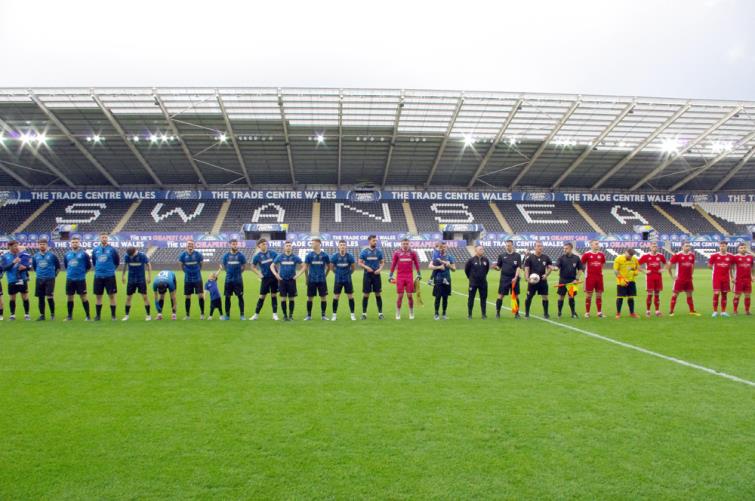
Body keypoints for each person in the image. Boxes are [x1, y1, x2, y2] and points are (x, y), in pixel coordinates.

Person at [271, 240, 305, 321]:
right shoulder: (280, 256)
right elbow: (272, 266)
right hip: (282, 280)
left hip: (291, 280)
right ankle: (285, 315)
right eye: (287, 246)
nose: (288, 247)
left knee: (291, 298)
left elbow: (304, 266)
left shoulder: (295, 257)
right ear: (284, 247)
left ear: (291, 247)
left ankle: (291, 315)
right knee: (283, 298)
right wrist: (276, 274)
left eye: (289, 245)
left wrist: (297, 275)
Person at [389, 238, 421, 320]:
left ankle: (411, 313)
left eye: (407, 243)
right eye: (404, 243)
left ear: (409, 244)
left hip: (409, 276)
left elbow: (417, 263)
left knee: (410, 295)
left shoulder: (413, 253)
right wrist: (390, 275)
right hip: (400, 277)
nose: (405, 245)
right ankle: (398, 313)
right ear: (401, 244)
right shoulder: (397, 253)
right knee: (400, 296)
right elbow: (393, 264)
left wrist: (419, 273)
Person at [667, 241, 701, 316]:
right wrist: (672, 276)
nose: (688, 247)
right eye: (686, 246)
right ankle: (671, 311)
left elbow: (692, 265)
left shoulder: (692, 255)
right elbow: (669, 265)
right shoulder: (677, 255)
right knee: (675, 294)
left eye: (689, 246)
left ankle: (692, 311)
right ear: (682, 246)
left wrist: (691, 274)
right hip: (679, 279)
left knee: (689, 294)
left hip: (688, 279)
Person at [2, 240, 32, 320]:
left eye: (17, 246)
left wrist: (25, 267)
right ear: (10, 247)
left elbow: (30, 266)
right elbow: (4, 268)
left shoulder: (22, 255)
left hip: (22, 279)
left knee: (25, 297)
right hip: (12, 280)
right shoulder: (5, 256)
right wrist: (13, 262)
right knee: (12, 298)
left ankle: (27, 314)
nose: (17, 247)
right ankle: (12, 315)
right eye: (15, 246)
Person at [92, 233, 120, 321]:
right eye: (102, 237)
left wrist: (110, 270)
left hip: (110, 276)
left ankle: (113, 316)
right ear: (100, 238)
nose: (104, 239)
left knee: (111, 296)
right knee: (98, 296)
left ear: (107, 239)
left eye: (105, 237)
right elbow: (94, 262)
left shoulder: (112, 250)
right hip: (98, 276)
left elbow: (117, 262)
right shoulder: (95, 250)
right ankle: (98, 316)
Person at [31, 238, 61, 321]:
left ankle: (52, 314)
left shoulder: (52, 255)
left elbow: (58, 267)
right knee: (40, 298)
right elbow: (34, 267)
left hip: (50, 279)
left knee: (49, 296)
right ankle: (42, 315)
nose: (42, 246)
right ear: (38, 245)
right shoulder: (35, 256)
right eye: (40, 244)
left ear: (47, 245)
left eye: (43, 244)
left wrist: (54, 276)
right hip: (39, 279)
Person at [63, 236, 92, 321]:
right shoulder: (67, 254)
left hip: (80, 279)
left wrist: (82, 274)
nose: (74, 244)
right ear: (70, 244)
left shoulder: (84, 254)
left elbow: (88, 266)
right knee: (70, 297)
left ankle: (88, 316)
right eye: (73, 242)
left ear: (79, 243)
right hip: (70, 279)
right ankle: (69, 316)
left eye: (76, 242)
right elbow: (66, 266)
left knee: (83, 297)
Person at [523, 241, 553, 318]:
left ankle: (546, 314)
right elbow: (526, 269)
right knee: (529, 297)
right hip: (532, 281)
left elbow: (550, 267)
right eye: (538, 246)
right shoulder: (530, 258)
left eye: (541, 246)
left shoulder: (546, 257)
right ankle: (527, 314)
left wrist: (546, 274)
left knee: (545, 297)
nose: (540, 247)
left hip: (542, 281)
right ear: (535, 247)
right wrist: (527, 278)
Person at [250, 238, 279, 321]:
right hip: (265, 279)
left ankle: (275, 315)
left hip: (274, 278)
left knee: (274, 295)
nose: (265, 245)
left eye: (266, 244)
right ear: (259, 246)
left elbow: (279, 261)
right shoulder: (257, 256)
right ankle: (256, 315)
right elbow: (252, 267)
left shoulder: (272, 253)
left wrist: (278, 273)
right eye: (263, 244)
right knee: (262, 296)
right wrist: (259, 274)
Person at [121, 246, 152, 321]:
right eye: (130, 255)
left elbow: (148, 265)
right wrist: (123, 275)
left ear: (136, 250)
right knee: (128, 297)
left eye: (132, 254)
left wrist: (149, 276)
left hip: (141, 279)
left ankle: (148, 315)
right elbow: (125, 265)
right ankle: (126, 315)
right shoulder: (127, 256)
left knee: (144, 296)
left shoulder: (142, 255)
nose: (131, 256)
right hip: (131, 279)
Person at [493, 240, 522, 319]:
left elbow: (518, 267)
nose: (507, 247)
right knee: (501, 295)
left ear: (512, 246)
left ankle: (516, 313)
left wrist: (516, 277)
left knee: (515, 296)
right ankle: (498, 313)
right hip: (504, 279)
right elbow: (499, 267)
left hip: (514, 278)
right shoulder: (501, 256)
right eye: (506, 245)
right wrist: (495, 267)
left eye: (509, 245)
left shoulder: (517, 256)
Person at [358, 235, 385, 320]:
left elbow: (382, 262)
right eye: (374, 240)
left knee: (378, 293)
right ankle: (364, 314)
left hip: (376, 275)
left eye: (376, 241)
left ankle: (380, 313)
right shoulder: (364, 251)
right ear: (369, 241)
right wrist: (367, 268)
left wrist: (380, 269)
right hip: (367, 275)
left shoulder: (379, 251)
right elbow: (360, 263)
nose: (375, 242)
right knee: (366, 294)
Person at [219, 239, 247, 320]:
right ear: (230, 245)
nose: (235, 245)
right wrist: (228, 272)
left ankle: (242, 315)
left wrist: (239, 273)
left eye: (236, 244)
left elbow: (244, 266)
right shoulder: (226, 256)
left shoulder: (241, 255)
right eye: (233, 244)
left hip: (238, 280)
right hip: (228, 280)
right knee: (227, 297)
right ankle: (227, 315)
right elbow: (224, 266)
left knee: (240, 297)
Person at [303, 238, 330, 321]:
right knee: (310, 297)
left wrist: (325, 276)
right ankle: (309, 315)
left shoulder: (325, 255)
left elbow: (329, 267)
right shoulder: (309, 255)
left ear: (318, 243)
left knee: (323, 297)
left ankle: (323, 315)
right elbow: (306, 268)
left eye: (313, 243)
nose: (312, 244)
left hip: (322, 280)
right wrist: (307, 278)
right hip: (312, 280)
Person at [637, 241, 666, 317]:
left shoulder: (661, 256)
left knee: (657, 294)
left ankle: (657, 311)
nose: (654, 247)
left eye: (656, 246)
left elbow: (666, 264)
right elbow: (636, 265)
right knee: (650, 294)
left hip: (658, 277)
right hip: (650, 277)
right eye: (653, 246)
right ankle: (648, 311)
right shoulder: (646, 256)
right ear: (650, 247)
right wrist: (644, 271)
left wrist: (663, 269)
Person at [555, 242, 583, 319]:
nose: (564, 250)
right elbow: (557, 266)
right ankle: (559, 313)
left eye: (566, 248)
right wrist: (555, 268)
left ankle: (573, 313)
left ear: (571, 248)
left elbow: (580, 269)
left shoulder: (576, 258)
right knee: (561, 297)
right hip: (563, 281)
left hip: (572, 282)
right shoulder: (561, 258)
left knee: (571, 297)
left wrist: (576, 279)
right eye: (564, 248)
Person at [330, 240, 356, 321]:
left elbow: (353, 268)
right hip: (338, 279)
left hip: (347, 279)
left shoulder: (350, 256)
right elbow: (331, 267)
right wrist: (337, 273)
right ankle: (334, 315)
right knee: (336, 296)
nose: (342, 246)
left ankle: (352, 314)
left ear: (346, 246)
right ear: (338, 246)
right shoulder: (334, 256)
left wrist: (348, 274)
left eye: (344, 245)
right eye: (341, 245)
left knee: (350, 296)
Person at [429, 241, 456, 320]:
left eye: (444, 247)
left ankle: (444, 313)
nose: (443, 248)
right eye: (441, 247)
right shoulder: (436, 256)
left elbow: (454, 269)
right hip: (438, 279)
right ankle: (436, 313)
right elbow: (430, 266)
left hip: (447, 279)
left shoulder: (450, 257)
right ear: (439, 248)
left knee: (445, 297)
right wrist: (439, 267)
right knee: (438, 297)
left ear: (446, 248)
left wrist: (449, 265)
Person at [179, 240, 204, 320]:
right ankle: (187, 315)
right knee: (187, 297)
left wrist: (197, 270)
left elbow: (201, 264)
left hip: (197, 278)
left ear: (194, 246)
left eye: (192, 244)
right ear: (186, 245)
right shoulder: (183, 255)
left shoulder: (198, 255)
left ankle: (202, 314)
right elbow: (181, 265)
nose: (190, 245)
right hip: (188, 279)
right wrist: (186, 271)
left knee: (200, 296)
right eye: (189, 244)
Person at [708, 240, 734, 318]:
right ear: (719, 247)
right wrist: (716, 270)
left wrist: (732, 277)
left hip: (726, 278)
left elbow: (732, 267)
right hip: (716, 278)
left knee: (724, 294)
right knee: (716, 293)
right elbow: (709, 265)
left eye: (724, 246)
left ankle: (723, 311)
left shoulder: (730, 256)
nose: (722, 247)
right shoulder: (714, 256)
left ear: (726, 247)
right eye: (721, 246)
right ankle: (715, 311)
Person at [581, 239, 606, 318]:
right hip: (589, 278)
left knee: (599, 295)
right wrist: (585, 272)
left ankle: (599, 312)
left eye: (598, 244)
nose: (597, 245)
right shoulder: (587, 254)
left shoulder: (601, 254)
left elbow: (602, 264)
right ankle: (587, 312)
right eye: (596, 244)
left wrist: (600, 272)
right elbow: (581, 264)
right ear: (591, 245)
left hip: (599, 277)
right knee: (589, 295)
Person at [464, 245, 490, 319]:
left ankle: (483, 314)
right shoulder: (471, 260)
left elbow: (486, 270)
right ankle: (469, 314)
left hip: (483, 283)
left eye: (482, 249)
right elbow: (466, 270)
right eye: (480, 249)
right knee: (471, 298)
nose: (482, 250)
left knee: (483, 299)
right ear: (476, 251)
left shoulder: (486, 260)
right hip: (473, 283)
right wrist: (471, 278)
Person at [613, 248, 640, 319]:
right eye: (629, 255)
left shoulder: (634, 259)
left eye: (632, 255)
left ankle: (632, 313)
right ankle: (618, 313)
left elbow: (637, 268)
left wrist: (636, 272)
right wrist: (621, 279)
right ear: (625, 252)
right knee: (620, 297)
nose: (630, 257)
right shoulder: (618, 259)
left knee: (631, 297)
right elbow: (615, 271)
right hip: (622, 282)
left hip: (631, 281)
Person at [732, 242, 753, 315]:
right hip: (738, 279)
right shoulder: (735, 257)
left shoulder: (750, 257)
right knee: (737, 295)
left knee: (747, 295)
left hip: (747, 279)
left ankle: (747, 311)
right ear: (738, 249)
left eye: (744, 248)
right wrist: (732, 277)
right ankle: (735, 311)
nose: (743, 249)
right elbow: (730, 267)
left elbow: (752, 267)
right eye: (741, 248)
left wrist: (752, 275)